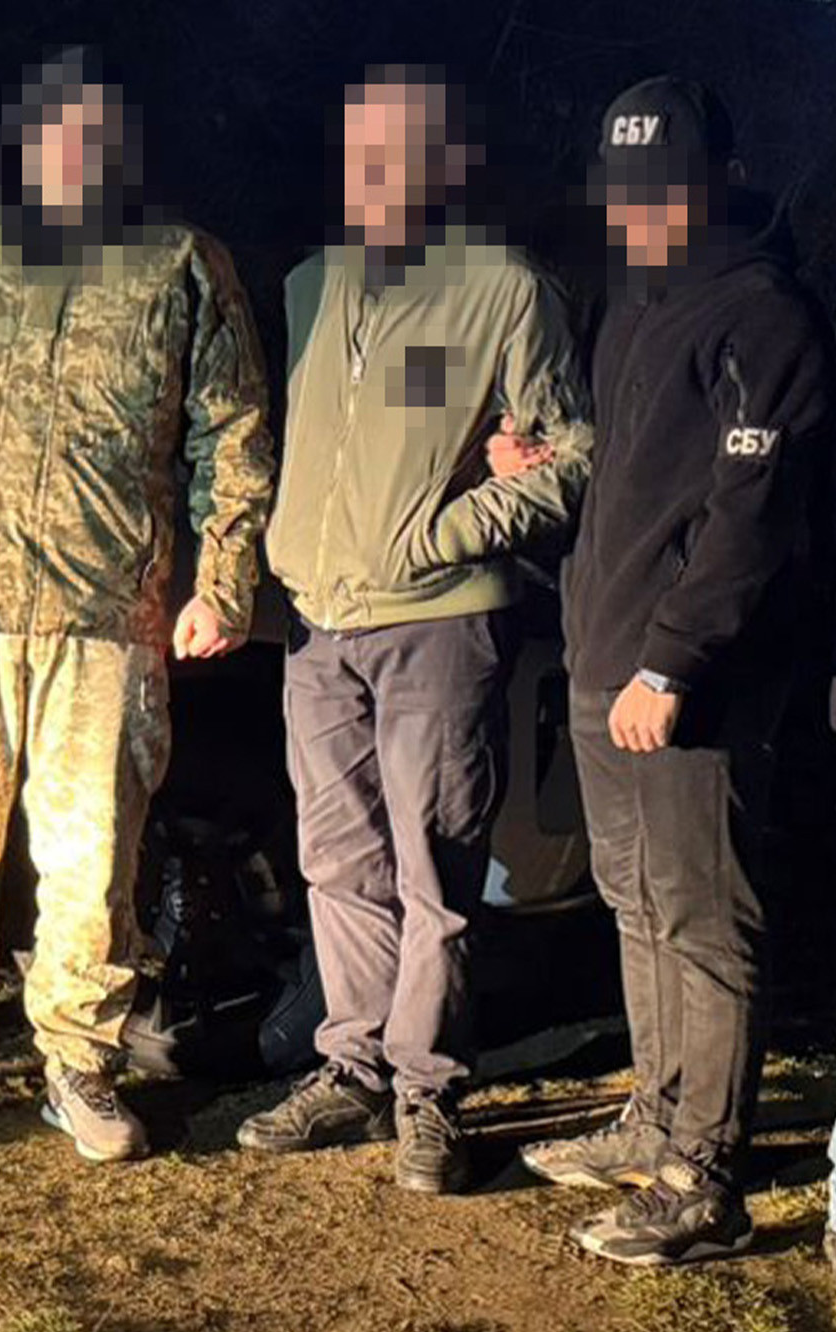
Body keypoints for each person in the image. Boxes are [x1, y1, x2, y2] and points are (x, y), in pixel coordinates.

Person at [0, 47, 274, 1163]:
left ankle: (78, 1061)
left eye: (96, 135)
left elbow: (232, 430)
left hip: (105, 619)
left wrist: (222, 580)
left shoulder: (175, 265)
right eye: (56, 132)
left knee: (91, 861)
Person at [238, 68, 592, 1193]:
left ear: (445, 164)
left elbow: (571, 455)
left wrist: (448, 531)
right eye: (360, 153)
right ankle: (349, 1065)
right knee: (336, 860)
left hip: (439, 623)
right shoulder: (309, 284)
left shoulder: (502, 287)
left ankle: (426, 1089)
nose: (374, 175)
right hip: (316, 625)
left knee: (434, 867)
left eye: (397, 153)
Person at [510, 77, 832, 1266]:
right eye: (622, 186)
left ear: (712, 182)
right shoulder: (630, 306)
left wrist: (671, 661)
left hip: (689, 681)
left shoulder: (763, 313)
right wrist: (538, 467)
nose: (636, 207)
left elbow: (750, 514)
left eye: (661, 186)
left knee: (703, 914)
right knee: (634, 900)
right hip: (603, 660)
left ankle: (705, 1174)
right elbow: (633, 485)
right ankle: (654, 1111)